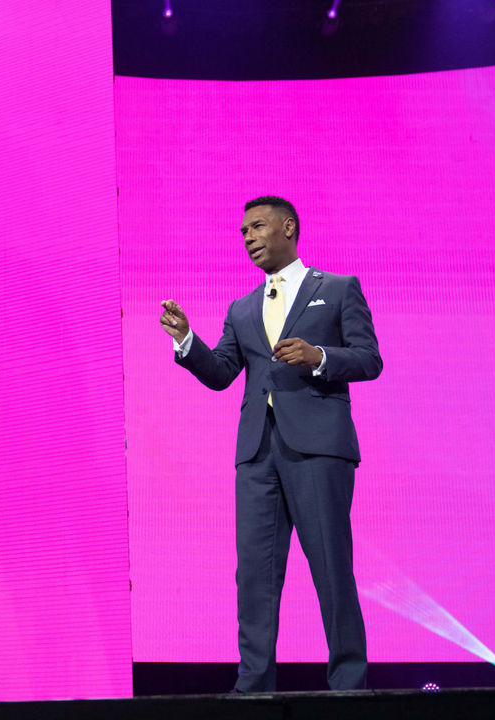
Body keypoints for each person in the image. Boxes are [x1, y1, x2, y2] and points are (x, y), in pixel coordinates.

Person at [159, 195, 381, 692]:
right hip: (258, 453)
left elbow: (370, 359)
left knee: (330, 566)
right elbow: (221, 374)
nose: (249, 238)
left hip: (318, 450)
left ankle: (349, 684)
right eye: (242, 233)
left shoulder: (340, 289)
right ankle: (253, 684)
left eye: (258, 227)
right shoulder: (241, 309)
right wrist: (186, 340)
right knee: (254, 575)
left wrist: (318, 355)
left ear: (289, 227)